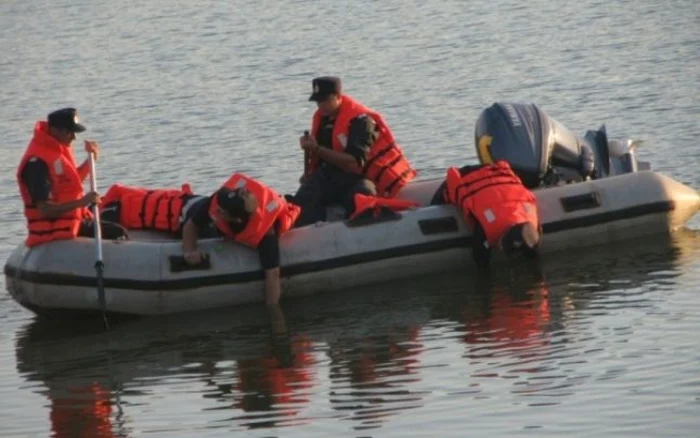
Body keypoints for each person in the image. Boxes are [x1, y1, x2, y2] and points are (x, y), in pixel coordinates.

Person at [294, 76, 417, 226]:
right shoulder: (322, 119)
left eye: (325, 100)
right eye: (318, 102)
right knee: (303, 200)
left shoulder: (361, 121)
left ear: (338, 96)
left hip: (359, 177)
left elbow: (354, 164)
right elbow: (322, 159)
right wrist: (309, 172)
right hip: (330, 176)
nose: (321, 106)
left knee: (363, 197)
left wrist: (317, 149)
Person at [180, 173, 302, 306]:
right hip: (228, 220)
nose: (217, 210)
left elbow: (272, 276)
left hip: (273, 215)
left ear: (236, 219)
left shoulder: (266, 234)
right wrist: (189, 251)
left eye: (222, 211)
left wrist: (274, 315)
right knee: (192, 216)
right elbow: (191, 225)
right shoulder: (220, 199)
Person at [16, 108, 127, 248]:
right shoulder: (37, 163)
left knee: (113, 216)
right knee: (117, 232)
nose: (74, 137)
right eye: (69, 131)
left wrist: (90, 161)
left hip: (73, 220)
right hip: (54, 229)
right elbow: (45, 210)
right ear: (54, 130)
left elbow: (69, 184)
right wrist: (81, 202)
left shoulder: (55, 150)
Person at [431, 160, 542, 270]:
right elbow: (480, 258)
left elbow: (533, 244)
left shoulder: (532, 221)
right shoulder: (489, 225)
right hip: (464, 176)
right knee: (435, 204)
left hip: (495, 170)